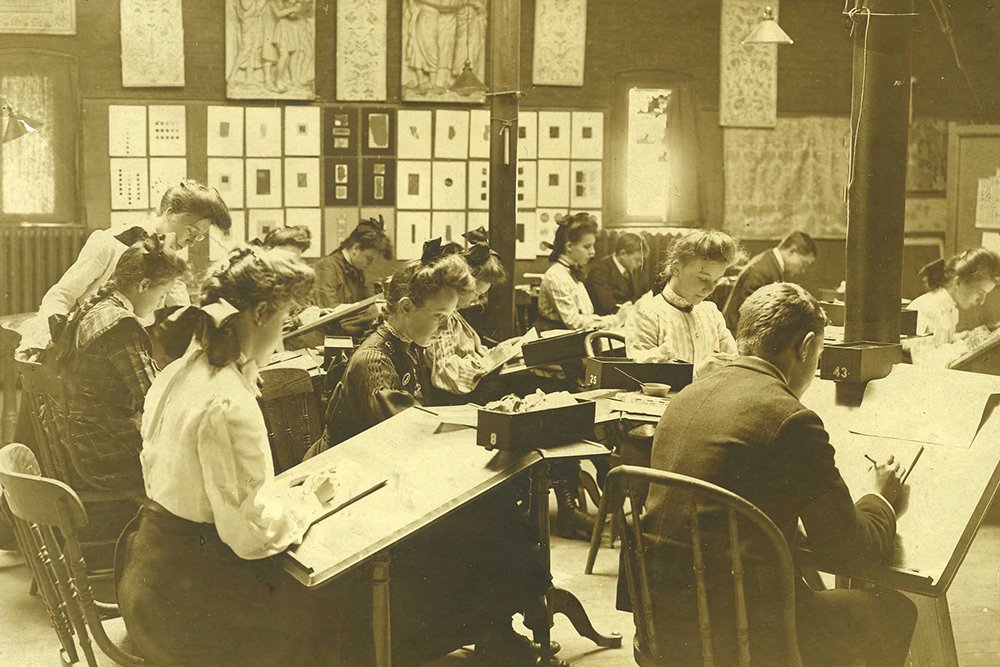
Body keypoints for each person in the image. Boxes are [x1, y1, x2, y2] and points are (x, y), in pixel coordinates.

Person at [621, 282, 916, 667]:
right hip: (741, 635)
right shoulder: (791, 418)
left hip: (664, 624)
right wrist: (879, 496)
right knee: (893, 610)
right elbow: (847, 549)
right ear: (806, 346)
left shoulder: (685, 398)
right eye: (820, 354)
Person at [308, 250, 563, 667]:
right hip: (353, 493)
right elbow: (402, 435)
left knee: (497, 508)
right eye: (440, 317)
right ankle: (485, 632)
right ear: (406, 308)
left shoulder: (407, 345)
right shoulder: (374, 359)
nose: (446, 327)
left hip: (385, 476)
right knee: (485, 524)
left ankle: (495, 631)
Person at [17, 180, 232, 355]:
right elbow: (60, 296)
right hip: (92, 353)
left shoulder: (169, 256)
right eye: (191, 232)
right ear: (170, 212)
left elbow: (181, 311)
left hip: (135, 352)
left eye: (200, 237)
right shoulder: (110, 243)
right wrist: (41, 342)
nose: (192, 242)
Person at [44, 235, 186, 493]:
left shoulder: (96, 307)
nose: (161, 303)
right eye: (162, 294)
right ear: (144, 285)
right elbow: (153, 398)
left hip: (79, 443)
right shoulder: (121, 325)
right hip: (103, 454)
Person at [625, 230, 742, 378]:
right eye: (703, 279)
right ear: (676, 268)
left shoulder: (711, 313)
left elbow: (734, 362)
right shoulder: (647, 313)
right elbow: (640, 377)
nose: (710, 290)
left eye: (716, 281)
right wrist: (698, 374)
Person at [422, 228, 512, 400]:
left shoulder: (455, 314)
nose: (476, 302)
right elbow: (446, 372)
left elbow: (468, 353)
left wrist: (503, 351)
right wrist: (490, 361)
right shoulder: (442, 318)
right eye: (476, 294)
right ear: (462, 284)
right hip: (451, 396)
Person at [904, 248, 1000, 367]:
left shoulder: (950, 308)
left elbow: (940, 342)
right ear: (958, 282)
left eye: (985, 294)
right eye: (979, 293)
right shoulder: (927, 309)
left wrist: (966, 337)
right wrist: (968, 344)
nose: (981, 301)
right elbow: (925, 364)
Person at [537, 212, 627, 332]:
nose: (593, 252)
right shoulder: (556, 276)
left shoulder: (572, 272)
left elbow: (586, 315)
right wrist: (615, 319)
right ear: (569, 247)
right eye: (587, 247)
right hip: (557, 342)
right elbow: (574, 323)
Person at [312, 216, 393, 337]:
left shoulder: (358, 270)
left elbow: (368, 299)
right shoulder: (327, 266)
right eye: (369, 259)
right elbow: (330, 312)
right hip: (322, 335)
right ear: (355, 248)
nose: (369, 264)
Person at [722, 230, 817, 332]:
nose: (803, 270)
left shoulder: (771, 264)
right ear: (792, 251)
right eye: (804, 264)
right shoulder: (763, 270)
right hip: (736, 334)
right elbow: (749, 316)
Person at [585, 233, 645, 316]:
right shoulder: (600, 270)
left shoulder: (627, 269)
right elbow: (608, 305)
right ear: (623, 254)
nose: (639, 264)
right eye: (637, 259)